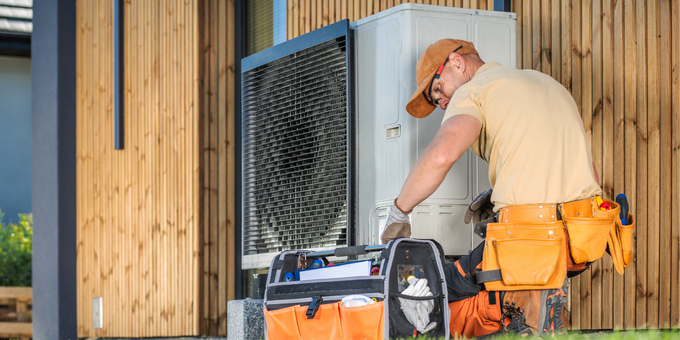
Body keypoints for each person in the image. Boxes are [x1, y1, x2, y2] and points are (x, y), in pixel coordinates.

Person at [379, 38, 603, 338]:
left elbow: (440, 155)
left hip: (529, 238)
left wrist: (399, 212)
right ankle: (531, 310)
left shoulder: (474, 90)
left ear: (456, 63)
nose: (442, 103)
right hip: (582, 239)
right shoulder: (546, 82)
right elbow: (588, 172)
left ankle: (522, 314)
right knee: (504, 288)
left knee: (434, 291)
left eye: (437, 90)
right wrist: (505, 194)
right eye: (437, 101)